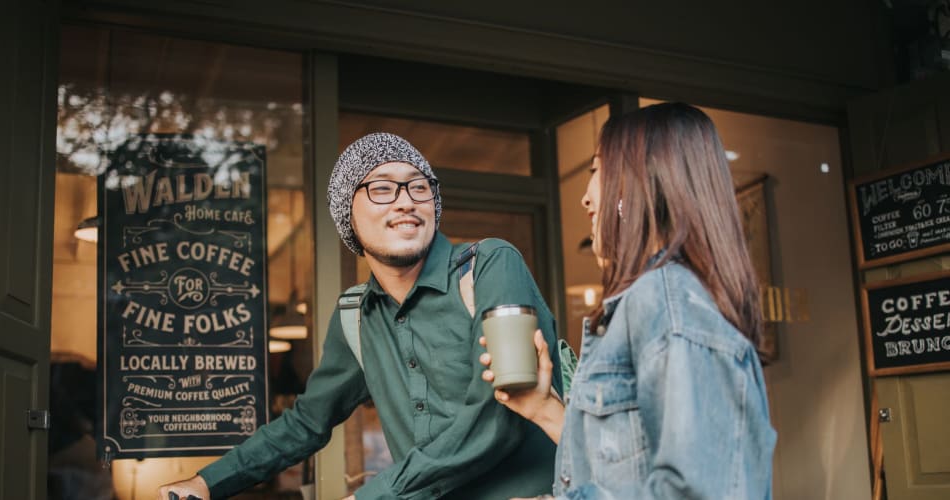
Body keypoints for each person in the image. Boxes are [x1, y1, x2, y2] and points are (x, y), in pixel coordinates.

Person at [159, 132, 562, 500]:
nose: (406, 201)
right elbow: (305, 423)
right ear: (346, 215)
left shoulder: (488, 265)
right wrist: (207, 482)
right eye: (382, 189)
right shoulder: (355, 315)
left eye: (419, 187)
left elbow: (499, 414)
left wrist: (375, 495)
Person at [480, 103, 777, 499]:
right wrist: (543, 409)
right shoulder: (658, 299)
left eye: (597, 171)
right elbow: (627, 471)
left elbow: (702, 492)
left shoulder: (666, 300)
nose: (586, 198)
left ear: (639, 185)